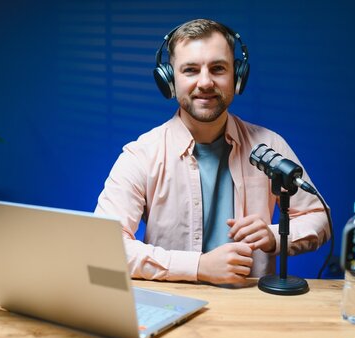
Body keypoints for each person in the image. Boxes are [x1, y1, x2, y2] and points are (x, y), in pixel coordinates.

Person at [95, 19, 330, 285]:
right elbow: (104, 247)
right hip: (173, 304)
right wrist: (198, 266)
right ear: (170, 80)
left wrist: (275, 236)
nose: (205, 82)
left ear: (237, 77)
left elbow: (319, 217)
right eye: (191, 70)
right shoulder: (141, 155)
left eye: (218, 68)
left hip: (253, 308)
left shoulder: (270, 146)